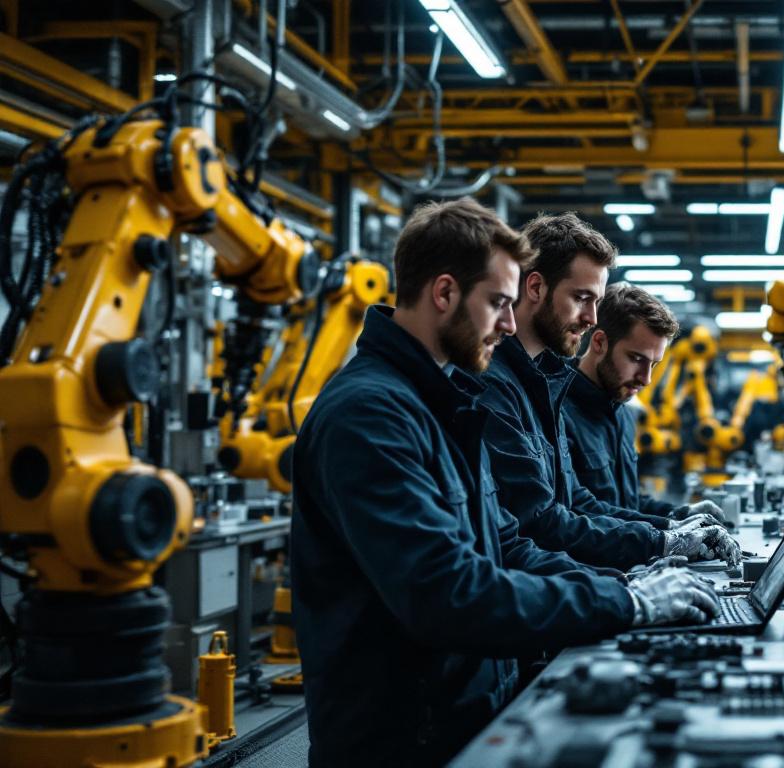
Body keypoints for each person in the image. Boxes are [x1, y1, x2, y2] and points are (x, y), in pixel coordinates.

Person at [289, 198, 717, 766]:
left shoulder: (443, 400)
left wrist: (630, 582)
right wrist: (627, 601)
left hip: (462, 712)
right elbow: (448, 594)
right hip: (397, 739)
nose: (511, 325)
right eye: (498, 304)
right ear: (444, 294)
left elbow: (507, 543)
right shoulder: (371, 415)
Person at [479, 212, 741, 570]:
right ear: (536, 288)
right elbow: (539, 525)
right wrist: (630, 584)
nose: (590, 318)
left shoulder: (544, 386)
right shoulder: (495, 387)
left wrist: (671, 524)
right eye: (582, 298)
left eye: (595, 301)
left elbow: (577, 503)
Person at [563, 282, 729, 525]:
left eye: (653, 364)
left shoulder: (622, 412)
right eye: (636, 359)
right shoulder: (557, 412)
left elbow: (626, 504)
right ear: (599, 342)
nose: (646, 379)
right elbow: (580, 512)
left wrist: (680, 513)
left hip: (629, 559)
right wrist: (667, 531)